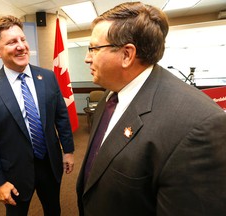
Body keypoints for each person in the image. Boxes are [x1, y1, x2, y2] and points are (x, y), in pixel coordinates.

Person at [76, 2, 226, 216]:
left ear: (127, 54)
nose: (87, 57)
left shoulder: (199, 126)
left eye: (93, 48)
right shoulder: (110, 95)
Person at [0, 15, 74, 216]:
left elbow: (61, 116)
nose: (21, 46)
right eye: (11, 42)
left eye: (22, 39)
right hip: (14, 172)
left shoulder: (47, 76)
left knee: (54, 209)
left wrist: (68, 150)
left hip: (50, 164)